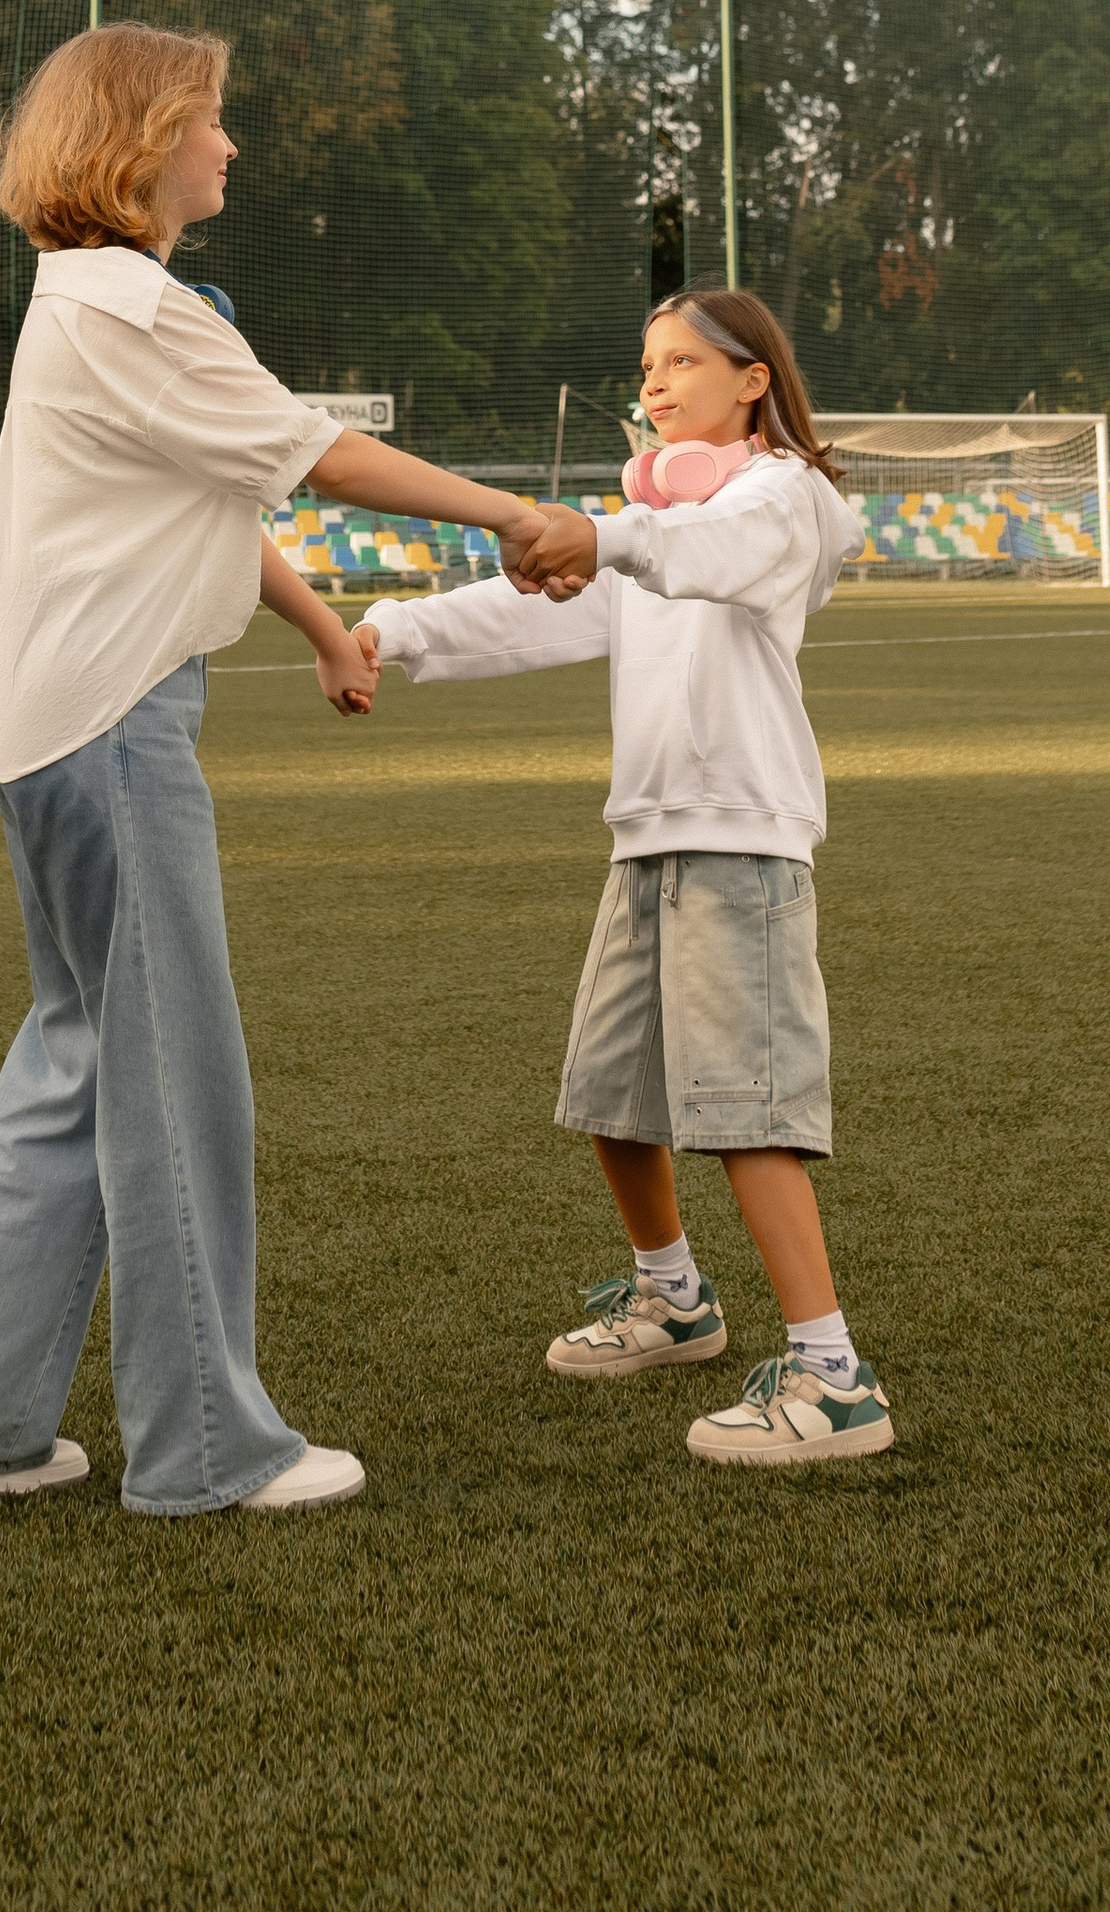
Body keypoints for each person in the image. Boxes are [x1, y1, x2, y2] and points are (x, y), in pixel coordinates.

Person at [0, 19, 543, 1518]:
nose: (229, 145)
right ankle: (209, 1451)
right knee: (176, 1082)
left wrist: (321, 628)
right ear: (142, 141)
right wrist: (516, 518)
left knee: (80, 1069)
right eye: (208, 120)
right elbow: (323, 458)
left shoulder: (91, 303)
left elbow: (218, 500)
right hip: (115, 731)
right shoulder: (134, 309)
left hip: (55, 728)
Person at [362, 288, 894, 1468]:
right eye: (646, 365)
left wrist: (607, 536)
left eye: (682, 362)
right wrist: (391, 631)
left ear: (753, 380)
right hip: (645, 836)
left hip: (741, 837)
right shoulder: (654, 526)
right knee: (611, 1094)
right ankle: (676, 1300)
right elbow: (539, 615)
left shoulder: (781, 497)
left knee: (747, 1111)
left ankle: (834, 1378)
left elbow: (705, 551)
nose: (654, 382)